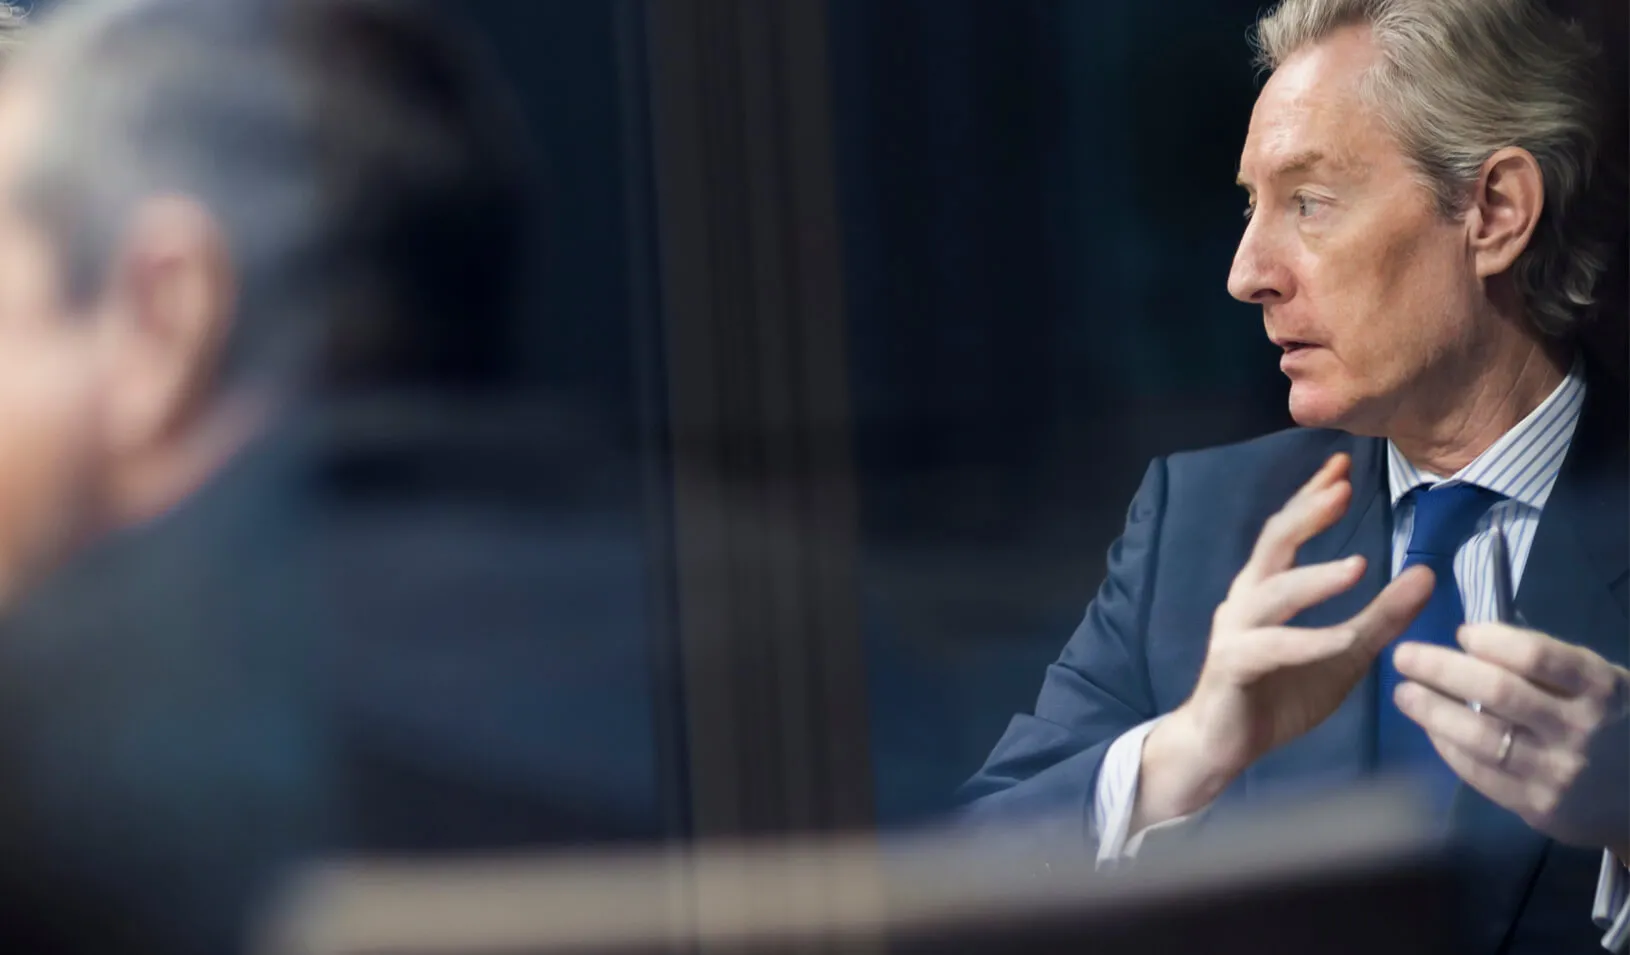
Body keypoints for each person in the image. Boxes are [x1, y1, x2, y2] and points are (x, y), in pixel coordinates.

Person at [961, 2, 1629, 953]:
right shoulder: (1197, 526)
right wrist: (1186, 751)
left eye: (1308, 203)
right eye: (1250, 205)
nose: (1246, 273)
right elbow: (960, 880)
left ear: (1494, 213)